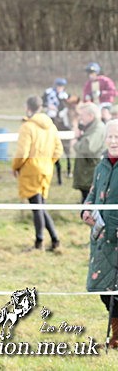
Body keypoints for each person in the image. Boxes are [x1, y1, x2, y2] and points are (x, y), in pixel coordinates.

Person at [82, 119, 118, 347]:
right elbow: (92, 195)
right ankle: (117, 335)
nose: (113, 141)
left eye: (117, 137)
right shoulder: (101, 167)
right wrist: (86, 210)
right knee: (105, 292)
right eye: (110, 137)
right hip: (102, 240)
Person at [11, 96, 64, 252]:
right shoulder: (51, 126)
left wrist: (15, 166)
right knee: (40, 206)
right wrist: (48, 162)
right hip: (46, 169)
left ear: (28, 107)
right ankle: (54, 239)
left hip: (31, 170)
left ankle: (39, 242)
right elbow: (58, 150)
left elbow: (23, 152)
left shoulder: (27, 127)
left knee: (37, 207)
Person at [72, 102, 106, 202]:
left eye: (82, 115)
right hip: (87, 173)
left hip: (91, 174)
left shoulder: (98, 128)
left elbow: (89, 148)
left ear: (91, 116)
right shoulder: (91, 128)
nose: (81, 118)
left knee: (90, 202)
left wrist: (75, 143)